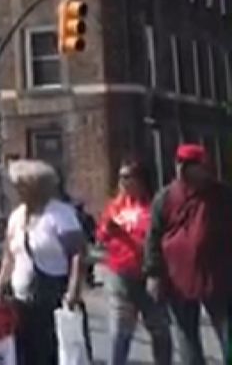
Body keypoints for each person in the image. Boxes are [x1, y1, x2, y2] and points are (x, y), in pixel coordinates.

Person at [0, 159, 86, 365]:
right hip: (21, 300)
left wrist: (73, 290)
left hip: (51, 296)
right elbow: (9, 256)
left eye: (20, 185)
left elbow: (77, 254)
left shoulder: (61, 215)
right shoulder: (16, 217)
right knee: (25, 353)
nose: (16, 190)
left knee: (50, 352)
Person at [144, 144, 231, 365]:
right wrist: (153, 273)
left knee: (226, 331)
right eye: (182, 163)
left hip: (217, 276)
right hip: (178, 278)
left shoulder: (221, 195)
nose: (184, 168)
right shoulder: (165, 197)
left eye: (195, 165)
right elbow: (153, 237)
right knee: (186, 334)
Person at [98, 160, 171, 365]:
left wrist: (127, 236)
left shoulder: (153, 207)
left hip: (147, 274)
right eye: (121, 177)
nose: (123, 182)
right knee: (119, 332)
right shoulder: (115, 206)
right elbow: (102, 237)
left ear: (141, 180)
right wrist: (108, 230)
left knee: (158, 329)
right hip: (119, 275)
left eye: (128, 177)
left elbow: (156, 242)